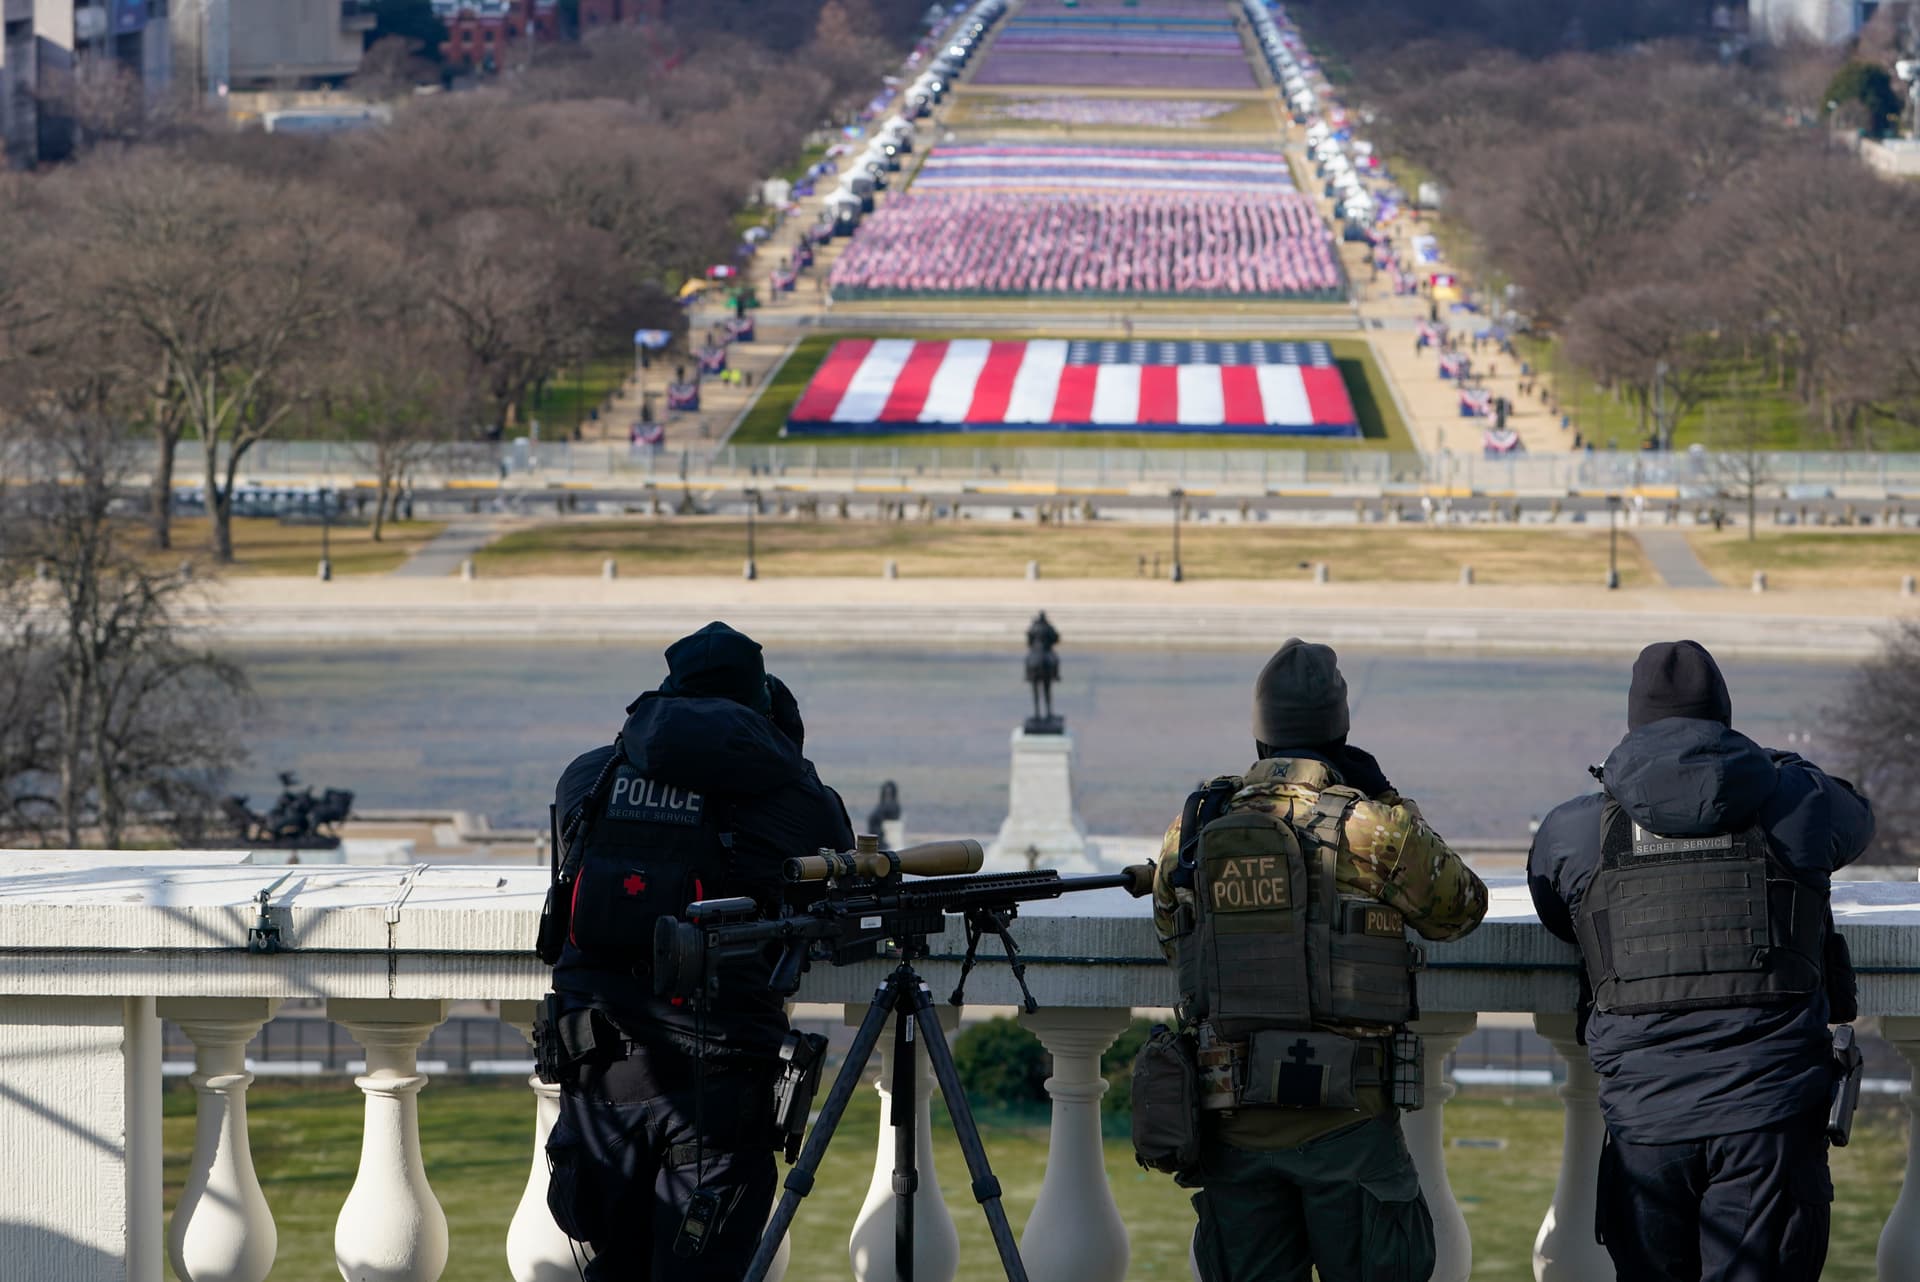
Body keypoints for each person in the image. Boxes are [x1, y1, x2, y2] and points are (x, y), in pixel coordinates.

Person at [1528, 640, 1873, 1282]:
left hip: (1645, 1121)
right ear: (1724, 720)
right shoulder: (1796, 803)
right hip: (1770, 1119)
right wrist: (1780, 767)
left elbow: (1557, 912)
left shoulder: (1574, 830)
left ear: (1634, 726)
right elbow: (1857, 817)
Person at [1150, 638, 1489, 1282]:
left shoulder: (1196, 823)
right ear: (1340, 729)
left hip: (1232, 1119)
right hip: (1348, 1120)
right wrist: (1390, 799)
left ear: (1260, 733)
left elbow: (1174, 935)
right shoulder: (1367, 823)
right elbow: (1459, 908)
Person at [539, 622, 855, 1280]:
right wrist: (788, 751)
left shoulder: (590, 777)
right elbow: (836, 866)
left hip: (597, 1070)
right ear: (760, 711)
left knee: (613, 1267)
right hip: (719, 1080)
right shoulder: (790, 798)